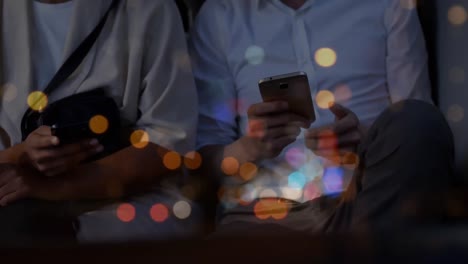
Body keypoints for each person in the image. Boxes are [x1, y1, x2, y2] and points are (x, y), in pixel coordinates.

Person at [189, 0, 455, 234]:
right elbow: (201, 164)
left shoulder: (388, 3)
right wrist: (249, 148)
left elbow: (419, 133)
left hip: (366, 200)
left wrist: (367, 145)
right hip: (262, 214)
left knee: (418, 120)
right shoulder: (220, 14)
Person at [0, 0, 199, 243]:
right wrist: (23, 155)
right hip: (16, 197)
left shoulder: (147, 8)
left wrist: (56, 187)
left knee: (31, 231)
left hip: (127, 202)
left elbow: (169, 146)